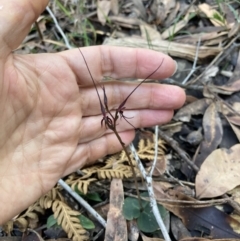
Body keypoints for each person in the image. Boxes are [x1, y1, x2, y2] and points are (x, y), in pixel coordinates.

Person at [0, 0, 185, 224]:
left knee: (115, 99)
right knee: (102, 97)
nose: (112, 112)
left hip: (110, 124)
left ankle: (139, 193)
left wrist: (118, 114)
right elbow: (108, 112)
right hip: (104, 124)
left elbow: (116, 112)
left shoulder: (115, 115)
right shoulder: (106, 116)